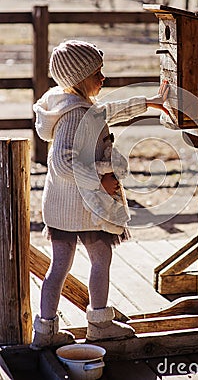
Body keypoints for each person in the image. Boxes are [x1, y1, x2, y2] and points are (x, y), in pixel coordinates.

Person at [31, 39, 169, 350]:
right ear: (80, 79)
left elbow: (108, 111)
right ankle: (99, 324)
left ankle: (46, 331)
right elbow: (63, 162)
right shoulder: (73, 117)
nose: (103, 78)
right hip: (82, 205)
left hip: (62, 206)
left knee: (61, 266)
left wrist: (147, 102)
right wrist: (101, 177)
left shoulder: (72, 105)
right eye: (97, 73)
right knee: (98, 258)